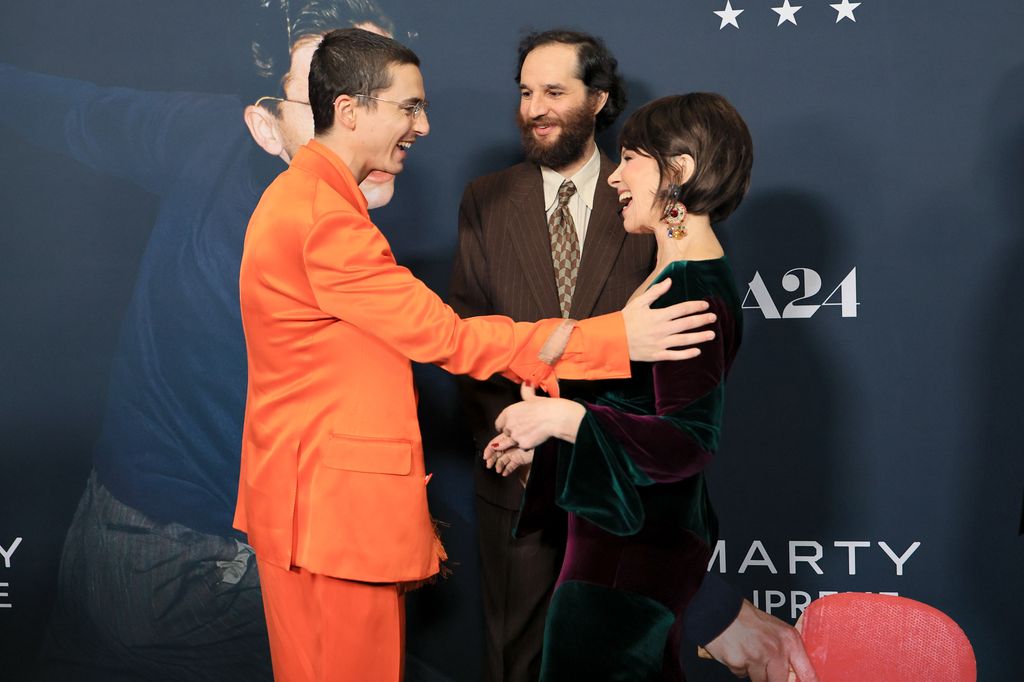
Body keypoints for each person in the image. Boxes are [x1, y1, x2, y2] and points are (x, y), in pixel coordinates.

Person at [235, 28, 719, 682]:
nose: (425, 125)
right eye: (409, 107)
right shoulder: (325, 217)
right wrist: (611, 338)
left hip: (306, 510)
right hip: (332, 522)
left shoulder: (302, 198)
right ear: (351, 111)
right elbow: (449, 337)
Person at [0, 2, 396, 679]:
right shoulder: (322, 251)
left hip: (113, 533)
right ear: (266, 123)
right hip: (200, 567)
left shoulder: (214, 138)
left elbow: (78, 113)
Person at [486, 93, 817, 682]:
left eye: (631, 158)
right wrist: (545, 442)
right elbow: (635, 419)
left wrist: (564, 420)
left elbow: (686, 441)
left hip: (625, 571)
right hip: (623, 559)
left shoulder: (690, 290)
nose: (613, 175)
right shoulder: (670, 280)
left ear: (679, 171)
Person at [448, 29, 655, 682]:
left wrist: (599, 444)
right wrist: (514, 433)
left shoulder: (644, 195)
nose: (535, 107)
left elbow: (668, 348)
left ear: (598, 99)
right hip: (517, 483)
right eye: (526, 92)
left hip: (623, 486)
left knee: (623, 659)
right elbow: (468, 339)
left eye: (555, 92)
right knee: (518, 663)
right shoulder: (486, 200)